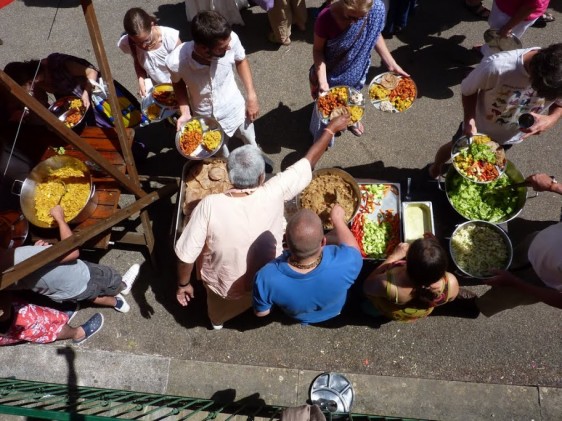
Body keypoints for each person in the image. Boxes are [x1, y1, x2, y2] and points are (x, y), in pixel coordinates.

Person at [175, 114, 350, 329]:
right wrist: (330, 129)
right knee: (256, 297)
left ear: (229, 176)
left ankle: (217, 321)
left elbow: (186, 255)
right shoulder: (273, 191)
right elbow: (308, 162)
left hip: (223, 284)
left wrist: (184, 284)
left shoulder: (209, 205)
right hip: (267, 275)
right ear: (261, 177)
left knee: (219, 310)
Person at [428, 43, 562, 179]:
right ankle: (436, 166)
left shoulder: (558, 82)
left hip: (510, 138)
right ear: (536, 76)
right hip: (476, 130)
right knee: (453, 148)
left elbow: (559, 105)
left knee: (477, 165)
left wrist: (551, 119)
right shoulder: (497, 66)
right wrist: (470, 120)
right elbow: (468, 90)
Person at [5, 206, 140, 313]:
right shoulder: (18, 256)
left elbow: (25, 279)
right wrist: (60, 219)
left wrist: (36, 251)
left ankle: (116, 303)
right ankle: (123, 286)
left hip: (64, 293)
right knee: (109, 277)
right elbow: (72, 251)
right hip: (82, 276)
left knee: (92, 297)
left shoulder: (5, 273)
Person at [167, 11, 263, 158]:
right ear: (202, 48)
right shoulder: (176, 62)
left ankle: (257, 162)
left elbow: (241, 60)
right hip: (207, 118)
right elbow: (177, 82)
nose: (229, 48)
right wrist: (185, 112)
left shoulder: (232, 40)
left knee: (250, 141)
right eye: (222, 48)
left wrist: (252, 95)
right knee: (222, 155)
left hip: (236, 109)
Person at [310, 0, 408, 139]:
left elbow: (375, 33)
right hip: (331, 76)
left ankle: (351, 119)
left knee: (352, 100)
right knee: (327, 112)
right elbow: (318, 50)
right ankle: (323, 136)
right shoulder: (325, 19)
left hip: (358, 71)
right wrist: (323, 81)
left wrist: (391, 63)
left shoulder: (377, 8)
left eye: (361, 17)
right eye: (351, 17)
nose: (355, 22)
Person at [253, 204, 362, 324]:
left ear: (286, 242)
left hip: (300, 316)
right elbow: (354, 248)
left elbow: (262, 312)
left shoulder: (265, 277)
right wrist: (337, 220)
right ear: (323, 241)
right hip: (335, 310)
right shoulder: (347, 262)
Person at [477, 173, 562, 314]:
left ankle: (471, 306)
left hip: (539, 280)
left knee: (500, 298)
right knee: (507, 258)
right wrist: (553, 186)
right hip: (538, 241)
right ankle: (492, 272)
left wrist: (514, 282)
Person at [4, 54, 146, 129]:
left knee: (119, 120)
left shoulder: (56, 63)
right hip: (79, 105)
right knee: (101, 129)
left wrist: (86, 93)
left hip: (95, 93)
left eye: (25, 88)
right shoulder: (38, 84)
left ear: (29, 81)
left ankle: (138, 147)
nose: (29, 92)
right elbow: (42, 103)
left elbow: (91, 72)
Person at [362, 236, 460, 322]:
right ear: (443, 268)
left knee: (369, 308)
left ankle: (374, 314)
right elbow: (451, 298)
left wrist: (393, 256)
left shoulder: (386, 284)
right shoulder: (451, 282)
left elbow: (367, 286)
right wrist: (433, 247)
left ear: (407, 260)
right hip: (414, 313)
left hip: (390, 308)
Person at [118, 7, 181, 98]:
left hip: (181, 88)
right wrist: (141, 79)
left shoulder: (170, 38)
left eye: (146, 40)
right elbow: (138, 60)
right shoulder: (127, 43)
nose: (143, 46)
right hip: (160, 91)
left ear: (152, 25)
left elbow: (184, 67)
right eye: (137, 43)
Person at [0, 292, 104, 345]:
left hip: (8, 309)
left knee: (31, 311)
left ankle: (59, 318)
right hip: (6, 320)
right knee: (35, 326)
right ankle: (77, 334)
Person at [480, 0, 551, 57]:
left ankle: (489, 54)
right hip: (509, 6)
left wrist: (508, 27)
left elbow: (531, 5)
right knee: (497, 34)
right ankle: (489, 49)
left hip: (513, 14)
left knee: (501, 39)